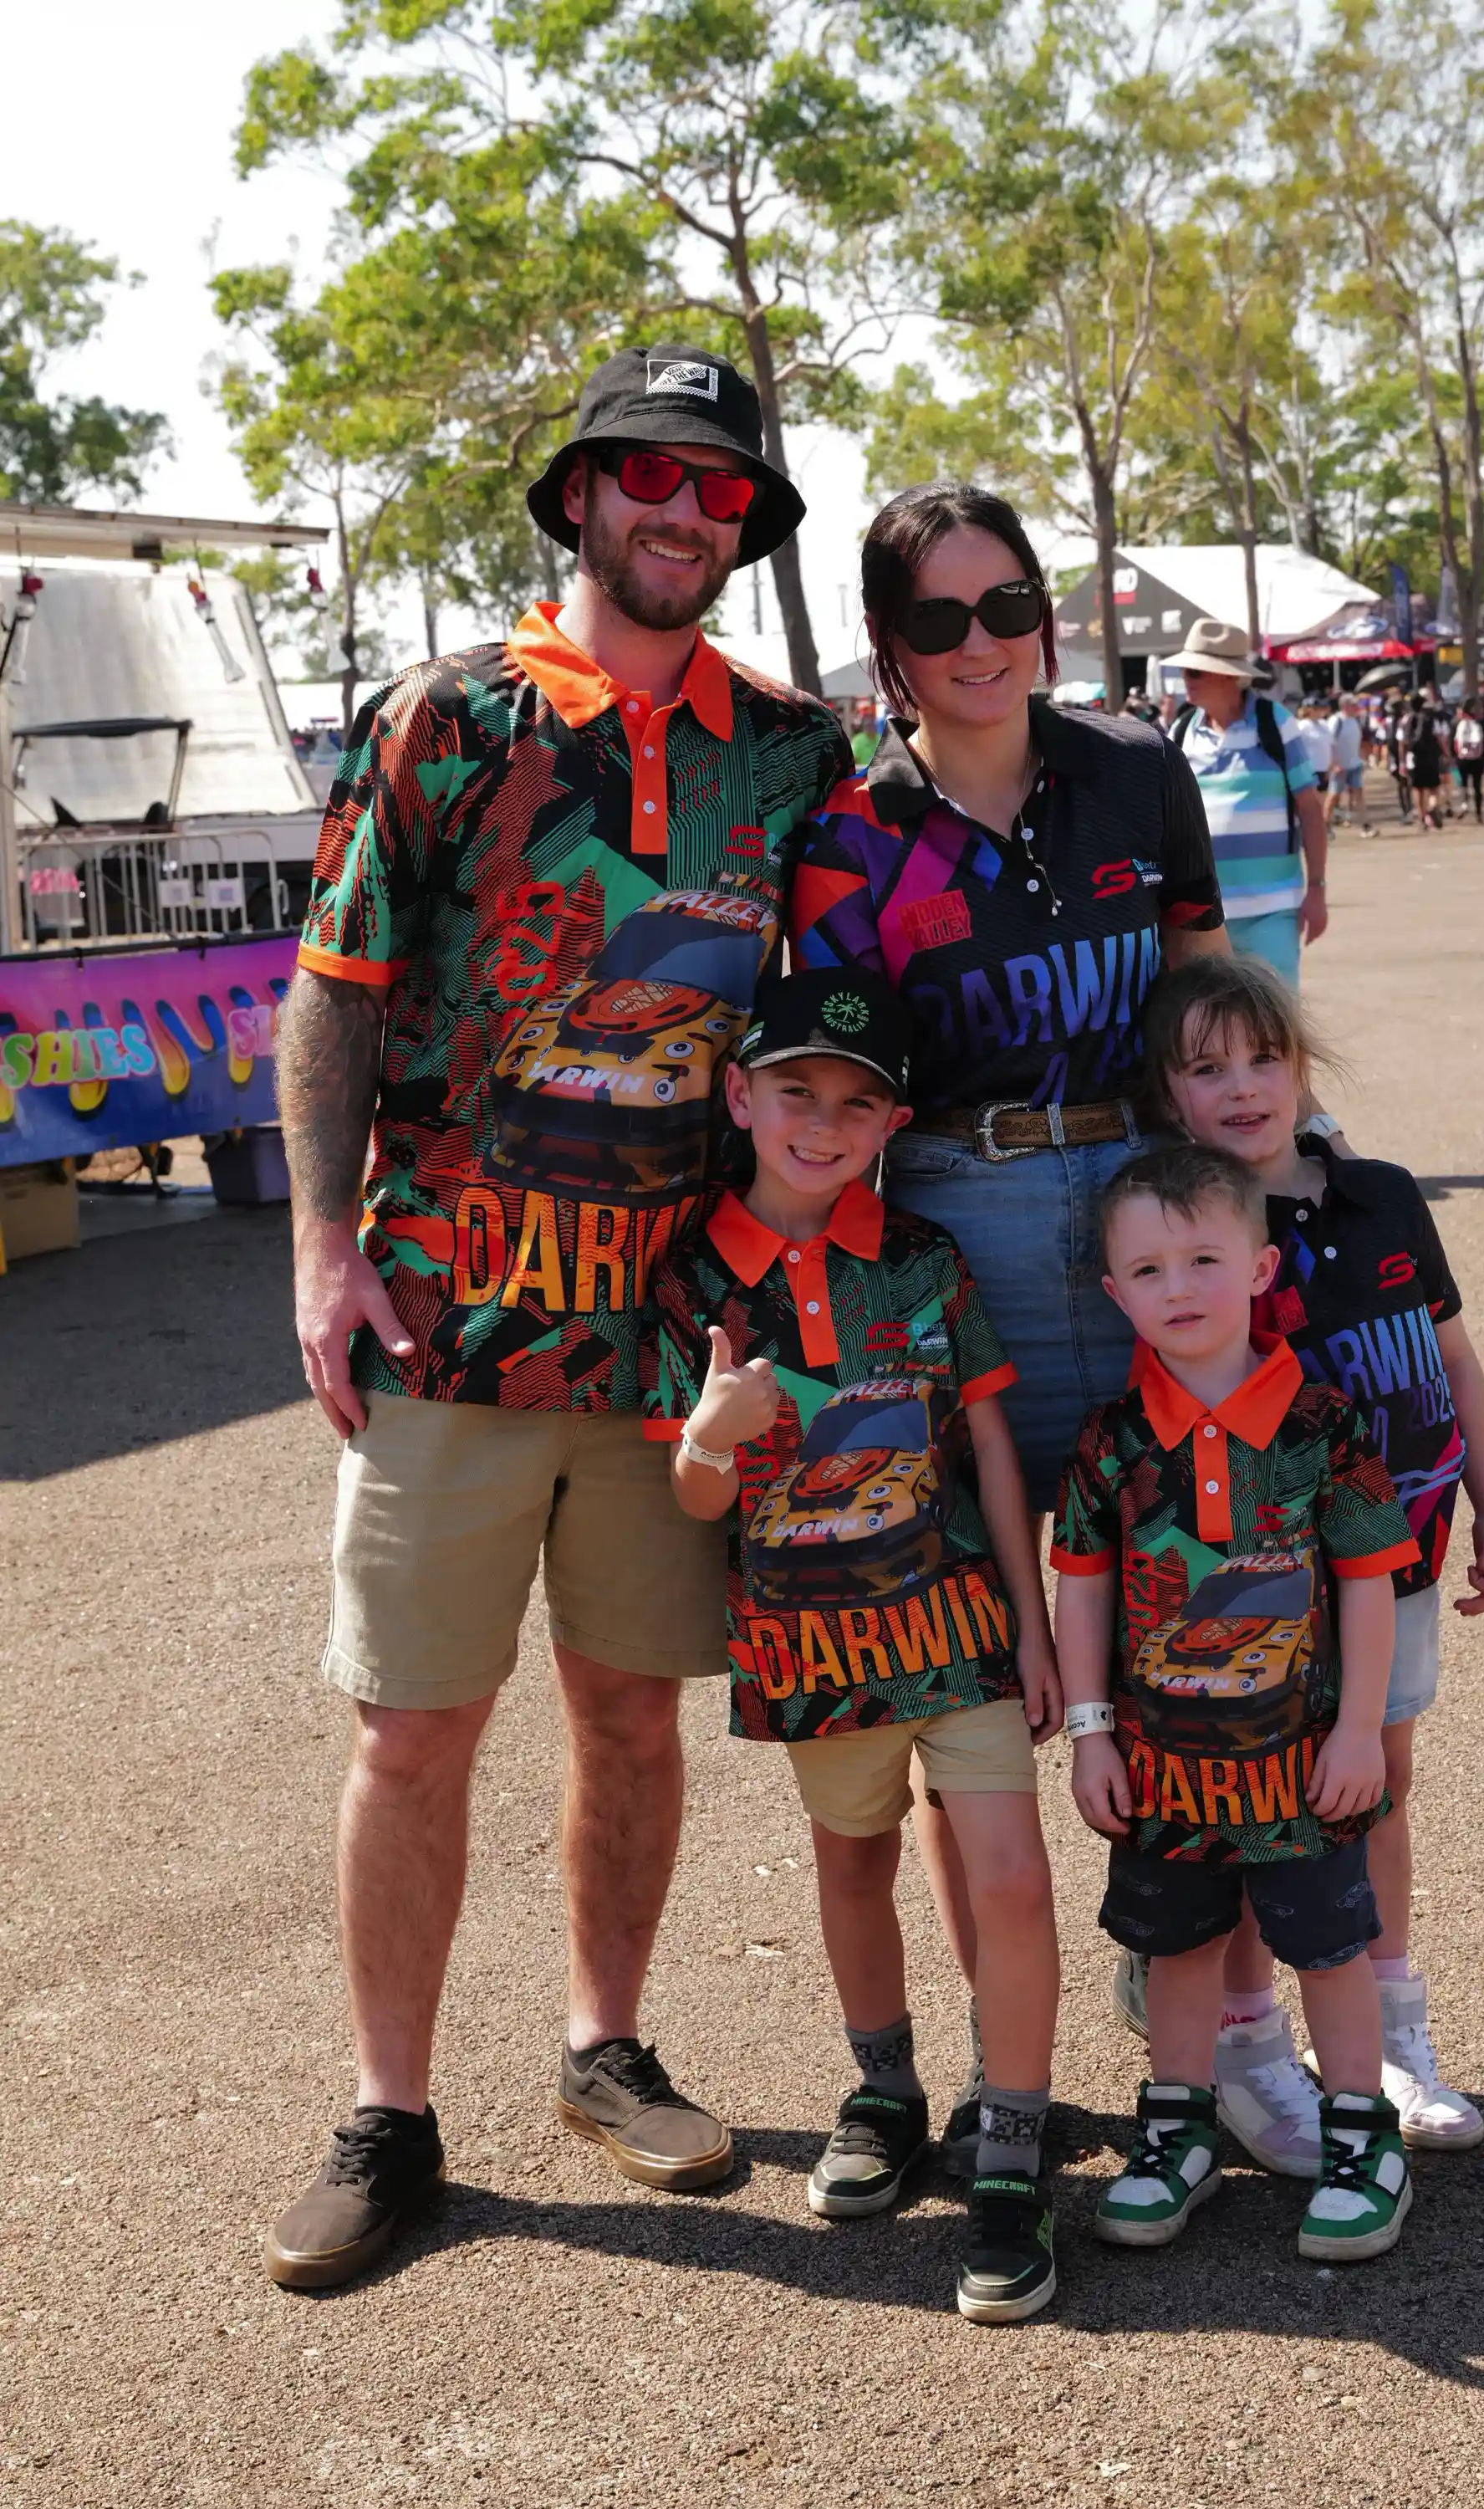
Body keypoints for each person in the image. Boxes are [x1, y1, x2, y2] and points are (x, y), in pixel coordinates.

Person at [263, 343, 853, 2292]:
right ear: (583, 495)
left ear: (740, 525)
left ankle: (607, 2048)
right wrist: (322, 1253)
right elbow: (335, 986)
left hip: (671, 1332)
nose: (681, 512)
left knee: (629, 1709)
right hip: (448, 1319)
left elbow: (835, 1012)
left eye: (716, 490)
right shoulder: (453, 716)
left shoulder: (789, 750)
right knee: (416, 1726)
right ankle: (387, 2114)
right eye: (648, 478)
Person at [789, 482, 1230, 2130]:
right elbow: (827, 1078)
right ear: (889, 651)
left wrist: (1251, 1211)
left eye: (1006, 606)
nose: (981, 645)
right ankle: (998, 2072)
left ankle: (1196, 2000)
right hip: (952, 1222)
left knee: (1195, 1620)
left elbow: (1200, 994)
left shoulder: (1134, 770)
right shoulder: (849, 835)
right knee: (968, 1692)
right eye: (935, 620)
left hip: (1138, 1217)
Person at [645, 967, 1063, 2323]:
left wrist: (1039, 1622)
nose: (822, 1122)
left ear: (892, 1124)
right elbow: (696, 1497)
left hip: (961, 1626)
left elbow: (992, 1445)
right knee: (854, 1865)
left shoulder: (925, 1259)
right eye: (796, 1093)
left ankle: (1010, 2136)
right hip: (809, 1651)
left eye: (856, 1102)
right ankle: (884, 2089)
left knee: (1008, 1876)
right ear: (741, 1096)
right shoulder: (698, 1276)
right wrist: (714, 1430)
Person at [1135, 957, 1484, 2163]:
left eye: (1263, 1058)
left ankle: (1396, 2037)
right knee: (1258, 1813)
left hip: (1400, 1564)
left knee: (1377, 1790)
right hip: (1268, 1592)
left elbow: (1455, 1362)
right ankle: (1249, 2043)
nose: (1242, 1088)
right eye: (1206, 1069)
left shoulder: (1387, 1197)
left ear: (1303, 1067)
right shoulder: (1193, 1231)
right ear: (1169, 1096)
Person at [1053, 1142, 1423, 2261]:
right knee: (1178, 1950)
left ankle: (1364, 2138)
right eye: (1150, 1270)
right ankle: (1179, 2132)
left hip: (1304, 1762)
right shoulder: (1111, 1446)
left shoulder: (1320, 1426)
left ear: (1262, 1268)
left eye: (1205, 1257)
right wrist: (1088, 1733)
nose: (1181, 1288)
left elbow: (1369, 1585)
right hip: (1164, 1770)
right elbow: (1081, 1594)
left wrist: (1361, 1726)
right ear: (1116, 1294)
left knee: (1330, 1946)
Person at [1162, 620, 1328, 989]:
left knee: (1276, 1029)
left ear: (1228, 676)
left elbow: (1311, 809)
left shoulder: (1277, 725)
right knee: (1208, 1032)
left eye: (1195, 670)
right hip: (1200, 915)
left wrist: (1317, 889)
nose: (1184, 678)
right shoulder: (1180, 733)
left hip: (1271, 912)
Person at [1403, 695, 1445, 831]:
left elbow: (1402, 742)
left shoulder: (1407, 719)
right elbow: (1439, 738)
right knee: (1434, 788)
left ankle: (1422, 818)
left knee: (1418, 789)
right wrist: (1446, 753)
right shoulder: (1431, 719)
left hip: (1414, 758)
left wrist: (1402, 761)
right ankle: (1433, 807)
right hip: (1431, 757)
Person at [1325, 692, 1366, 831]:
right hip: (1340, 766)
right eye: (1353, 705)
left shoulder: (1355, 720)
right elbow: (1330, 743)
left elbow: (1357, 742)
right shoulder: (1336, 721)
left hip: (1354, 764)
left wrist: (1361, 758)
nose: (1356, 707)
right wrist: (1334, 763)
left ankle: (1365, 824)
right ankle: (1324, 824)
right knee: (1334, 795)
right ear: (1344, 706)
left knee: (1358, 793)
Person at [1452, 698, 1484, 822]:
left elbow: (1453, 740)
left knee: (1463, 784)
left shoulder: (1457, 722)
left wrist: (1455, 756)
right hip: (1477, 758)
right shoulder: (1481, 722)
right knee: (1477, 786)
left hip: (1462, 758)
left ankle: (1464, 804)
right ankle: (1479, 813)